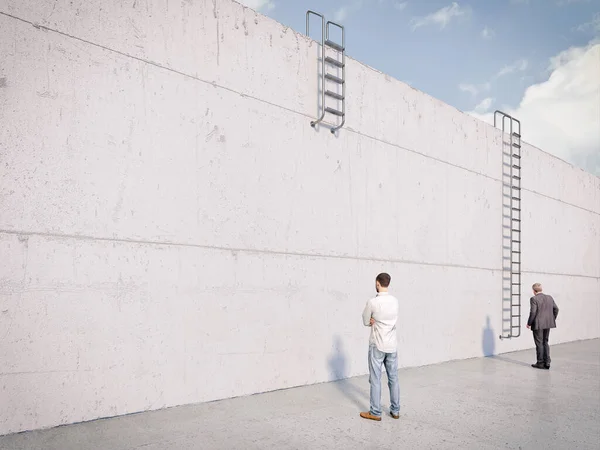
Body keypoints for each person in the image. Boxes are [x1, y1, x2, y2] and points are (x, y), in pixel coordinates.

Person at [359, 273, 400, 421]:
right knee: (393, 378)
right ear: (388, 283)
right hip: (392, 345)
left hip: (377, 344)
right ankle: (395, 411)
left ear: (377, 283)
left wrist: (372, 320)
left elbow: (364, 320)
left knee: (376, 379)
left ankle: (375, 412)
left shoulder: (372, 302)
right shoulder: (395, 301)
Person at [526, 283, 559, 370]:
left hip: (538, 324)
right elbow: (556, 309)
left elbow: (533, 312)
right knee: (545, 342)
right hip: (548, 323)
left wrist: (529, 323)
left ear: (534, 291)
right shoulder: (549, 297)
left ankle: (540, 363)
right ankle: (547, 362)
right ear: (541, 289)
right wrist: (552, 318)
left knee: (539, 343)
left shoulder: (533, 299)